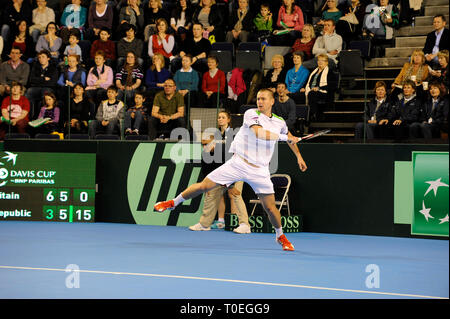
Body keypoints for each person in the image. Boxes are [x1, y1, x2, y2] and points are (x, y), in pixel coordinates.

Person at [154, 88, 308, 251]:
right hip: (238, 163)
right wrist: (285, 138)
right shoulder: (251, 114)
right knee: (205, 186)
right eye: (258, 98)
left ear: (272, 101)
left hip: (260, 170)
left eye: (263, 99)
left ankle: (280, 236)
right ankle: (173, 202)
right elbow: (259, 133)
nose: (259, 102)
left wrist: (299, 156)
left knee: (270, 207)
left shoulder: (279, 122)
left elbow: (291, 139)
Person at [190, 110, 251, 233]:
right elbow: (208, 153)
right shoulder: (216, 135)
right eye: (219, 117)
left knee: (235, 194)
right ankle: (204, 224)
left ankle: (244, 225)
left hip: (236, 169)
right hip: (221, 171)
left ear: (229, 120)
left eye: (223, 117)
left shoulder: (235, 134)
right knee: (212, 194)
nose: (220, 119)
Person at [301, 53, 338, 121]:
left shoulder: (330, 72)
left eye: (322, 60)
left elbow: (332, 85)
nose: (320, 62)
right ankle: (300, 117)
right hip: (311, 90)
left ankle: (312, 114)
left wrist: (319, 88)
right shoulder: (314, 71)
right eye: (319, 60)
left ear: (326, 63)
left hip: (324, 93)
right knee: (298, 95)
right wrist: (303, 88)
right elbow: (308, 82)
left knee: (312, 94)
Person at [25, 49, 58, 118]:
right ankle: (30, 117)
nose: (41, 59)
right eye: (39, 57)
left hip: (48, 88)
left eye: (43, 57)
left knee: (45, 93)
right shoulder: (35, 67)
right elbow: (31, 80)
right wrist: (43, 79)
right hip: (36, 88)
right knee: (29, 92)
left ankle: (42, 117)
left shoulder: (53, 68)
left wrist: (38, 81)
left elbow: (52, 83)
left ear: (48, 58)